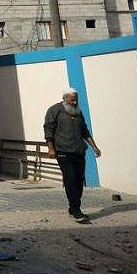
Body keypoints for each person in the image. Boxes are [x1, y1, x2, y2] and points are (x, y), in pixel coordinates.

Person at [44, 87, 101, 221]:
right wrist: (51, 148)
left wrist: (94, 147)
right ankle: (76, 210)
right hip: (63, 151)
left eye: (76, 100)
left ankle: (73, 208)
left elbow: (84, 131)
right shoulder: (54, 110)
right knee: (70, 178)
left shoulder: (78, 112)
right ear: (64, 99)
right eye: (72, 100)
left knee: (79, 179)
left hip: (79, 151)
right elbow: (48, 130)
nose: (75, 103)